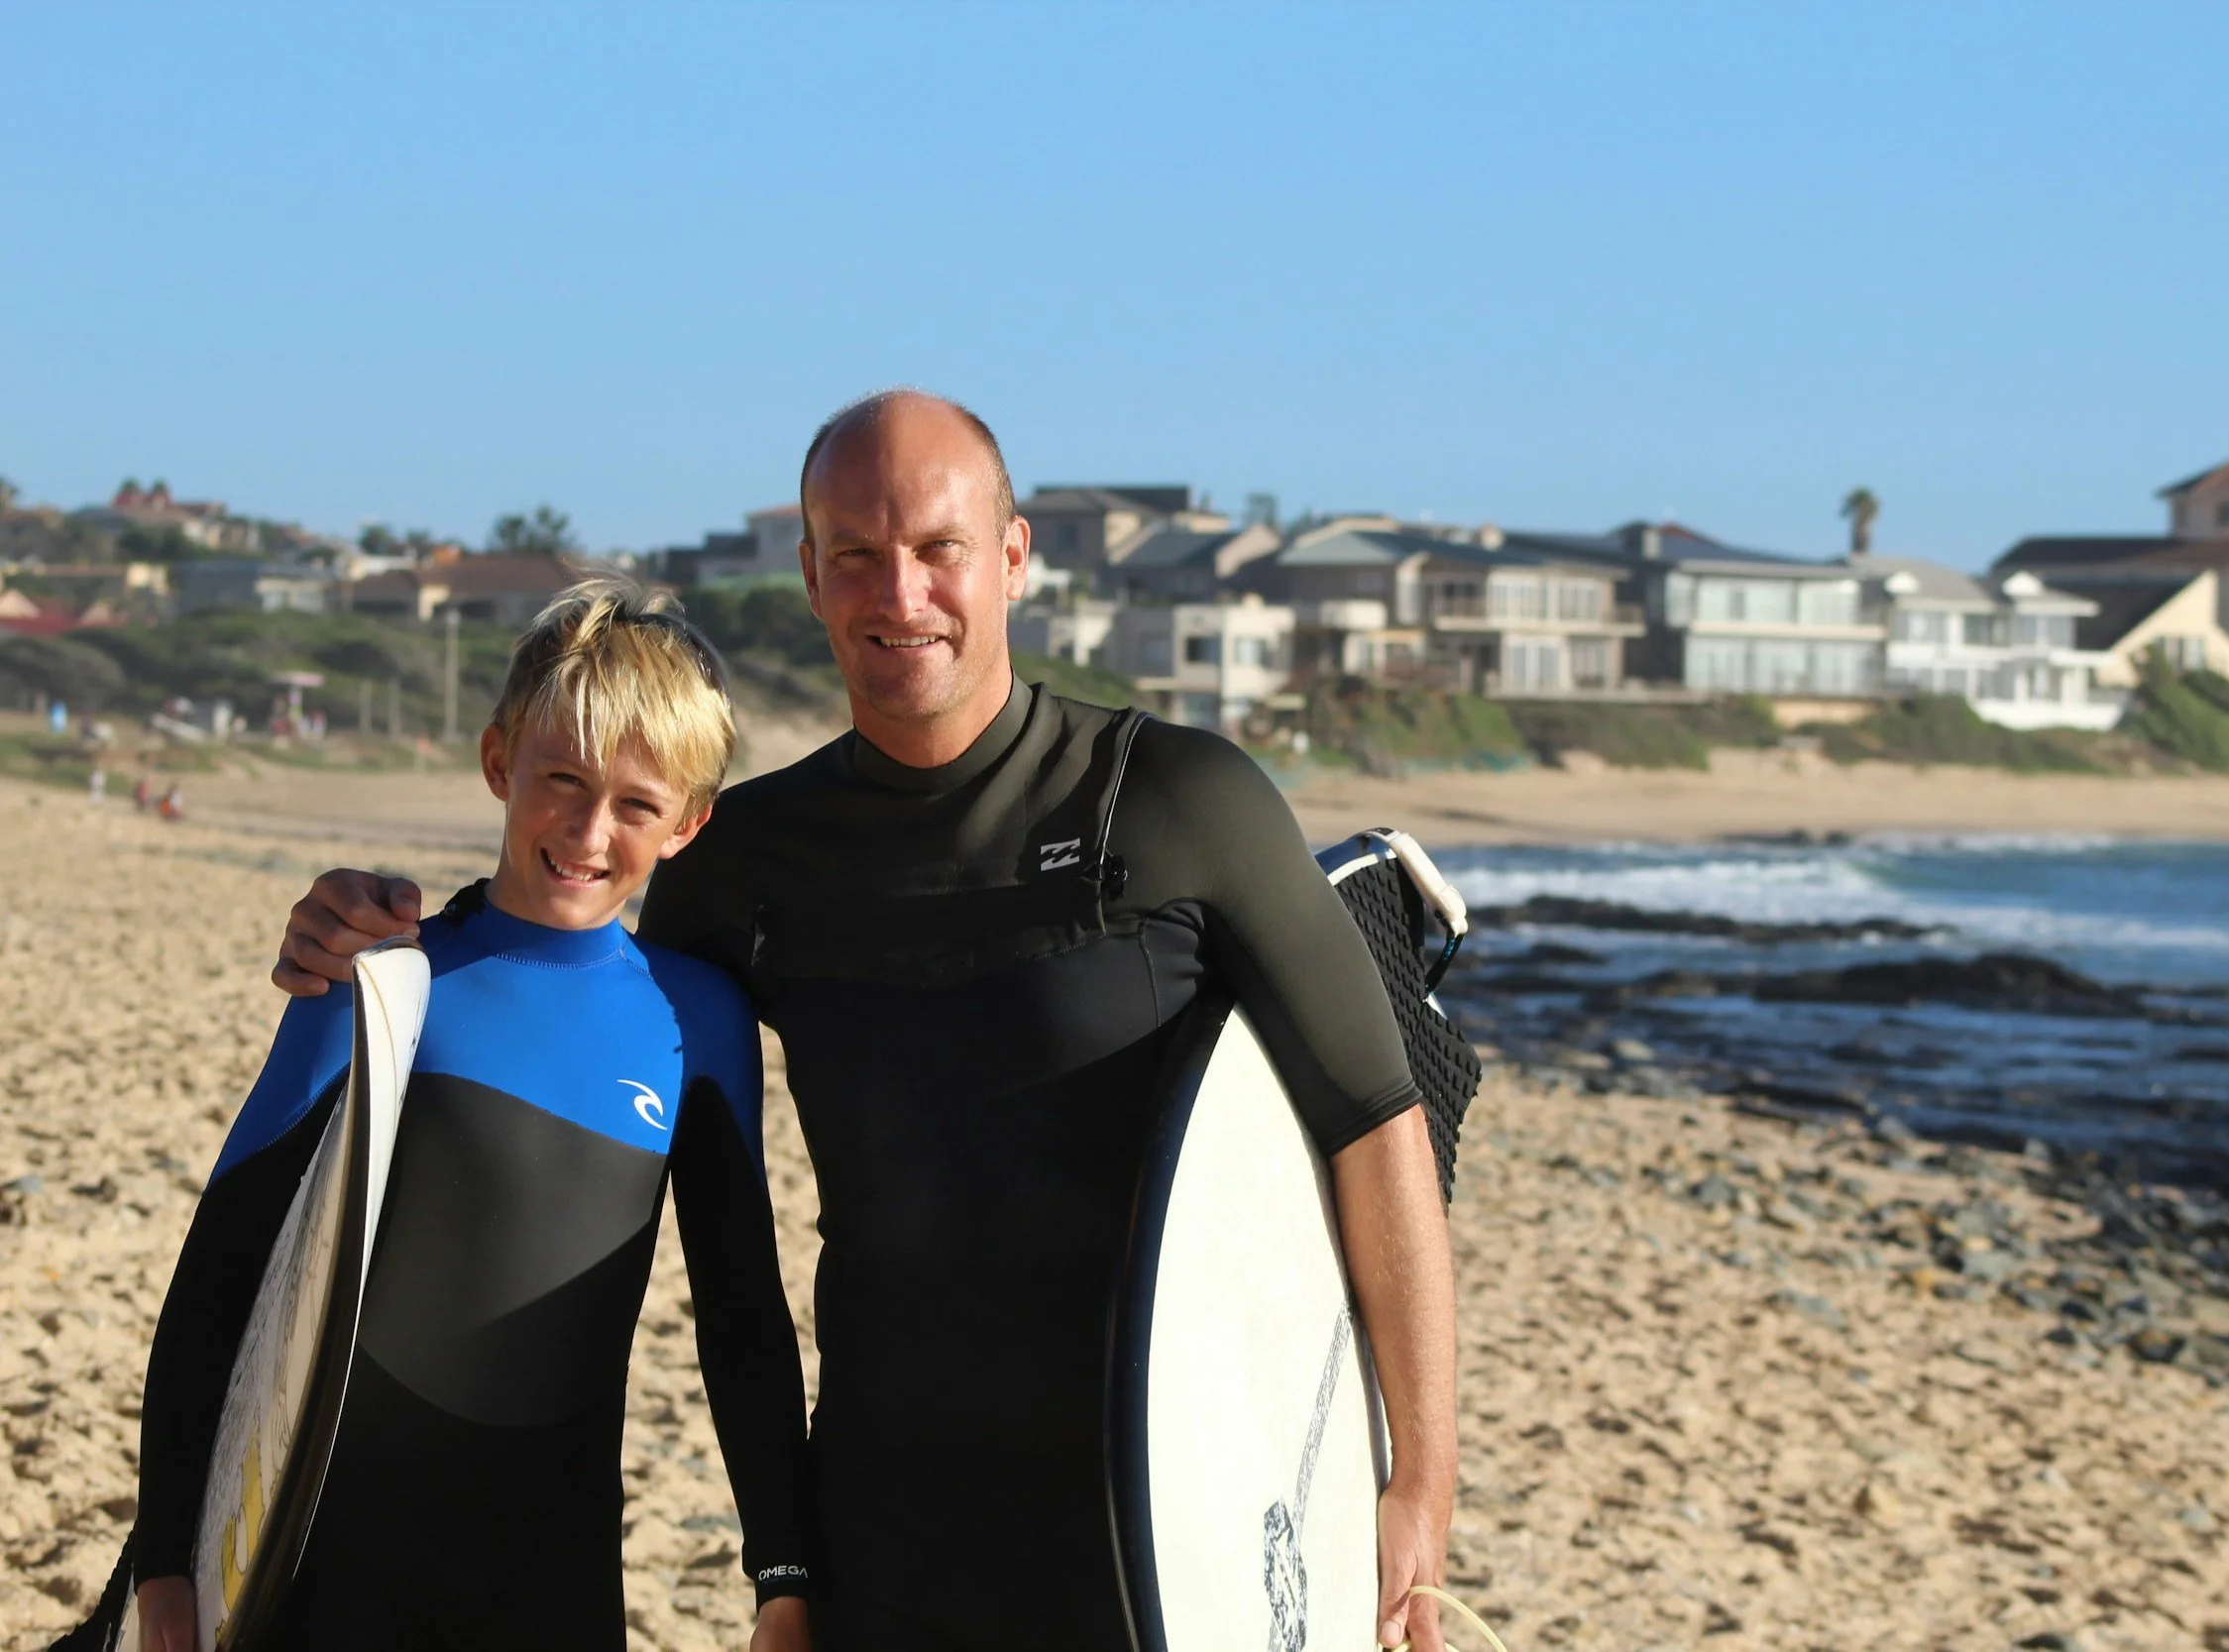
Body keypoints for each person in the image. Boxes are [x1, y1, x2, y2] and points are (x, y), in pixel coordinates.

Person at [273, 391, 1458, 1652]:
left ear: (1010, 555)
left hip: (1168, 1499)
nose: (901, 592)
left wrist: (1416, 1483)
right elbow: (568, 979)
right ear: (811, 575)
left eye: (938, 547)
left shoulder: (1175, 797)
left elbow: (1372, 1120)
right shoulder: (747, 861)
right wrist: (374, 933)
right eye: (857, 554)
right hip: (889, 1523)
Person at [78, 583, 814, 1652]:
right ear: (497, 760)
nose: (587, 827)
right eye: (559, 777)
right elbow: (222, 1267)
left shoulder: (698, 1019)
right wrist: (160, 1568)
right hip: (323, 1559)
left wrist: (778, 1574)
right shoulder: (382, 978)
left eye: (635, 804)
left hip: (549, 1574)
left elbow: (742, 1313)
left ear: (690, 821)